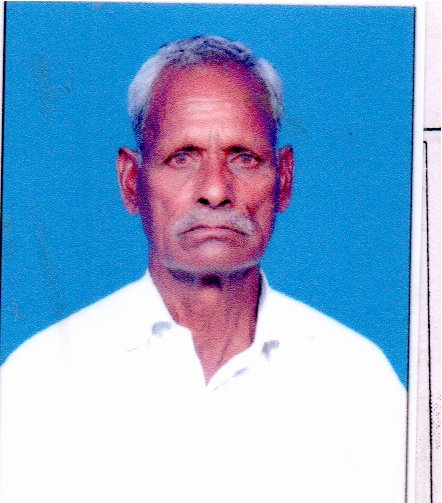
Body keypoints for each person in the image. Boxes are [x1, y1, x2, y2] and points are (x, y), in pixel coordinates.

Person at [0, 35, 406, 503]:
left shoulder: (359, 382)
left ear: (284, 180)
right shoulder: (41, 380)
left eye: (244, 158)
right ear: (131, 182)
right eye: (182, 157)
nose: (215, 190)